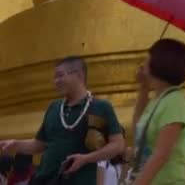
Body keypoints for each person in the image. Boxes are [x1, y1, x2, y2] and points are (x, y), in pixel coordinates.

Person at [0, 56, 125, 185]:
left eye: (60, 75)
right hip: (45, 179)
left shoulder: (100, 107)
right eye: (55, 77)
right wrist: (16, 144)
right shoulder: (54, 107)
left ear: (79, 75)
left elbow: (118, 145)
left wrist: (86, 159)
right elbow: (39, 143)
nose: (56, 81)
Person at [129, 39, 185, 184]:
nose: (143, 65)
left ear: (158, 63)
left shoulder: (174, 100)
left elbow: (161, 155)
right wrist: (143, 88)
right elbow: (138, 129)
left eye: (147, 60)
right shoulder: (158, 99)